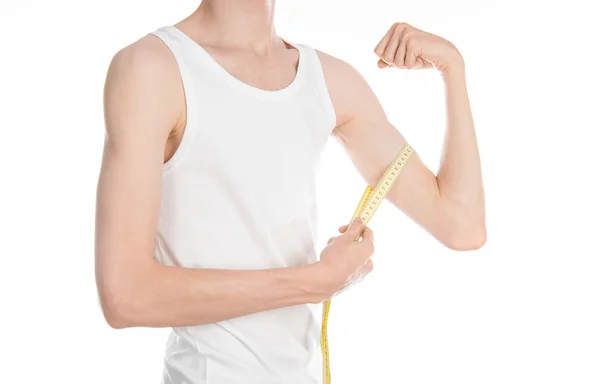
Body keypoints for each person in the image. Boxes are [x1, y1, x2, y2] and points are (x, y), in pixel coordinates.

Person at [95, 0, 486, 382]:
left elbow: (460, 224)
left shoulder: (328, 80)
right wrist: (316, 281)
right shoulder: (153, 69)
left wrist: (453, 67)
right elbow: (125, 295)